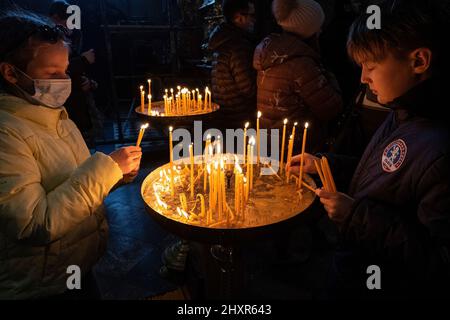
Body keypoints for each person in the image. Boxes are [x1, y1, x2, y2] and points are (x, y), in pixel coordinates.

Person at [289, 0, 450, 299]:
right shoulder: (402, 112)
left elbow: (438, 263)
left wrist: (357, 217)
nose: (363, 78)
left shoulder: (439, 146)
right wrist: (324, 164)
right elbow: (384, 178)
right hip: (356, 268)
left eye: (371, 66)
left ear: (419, 61)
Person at [0, 10, 142, 299]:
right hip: (40, 284)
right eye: (52, 74)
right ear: (11, 73)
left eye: (66, 70)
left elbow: (72, 181)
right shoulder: (6, 134)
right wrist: (104, 169)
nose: (64, 80)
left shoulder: (55, 116)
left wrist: (115, 174)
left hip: (74, 264)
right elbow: (35, 224)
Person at [253, 0, 343, 153]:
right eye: (317, 26)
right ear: (309, 31)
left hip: (270, 143)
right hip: (297, 148)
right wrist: (328, 73)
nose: (321, 30)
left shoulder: (271, 54)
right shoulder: (301, 65)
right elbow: (331, 108)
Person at [49, 0, 101, 146]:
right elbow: (56, 72)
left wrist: (87, 81)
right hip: (64, 108)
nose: (69, 25)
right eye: (64, 20)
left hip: (78, 102)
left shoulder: (72, 37)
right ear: (54, 18)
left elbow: (73, 70)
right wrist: (83, 61)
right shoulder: (47, 40)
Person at [208, 0, 257, 130]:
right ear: (239, 18)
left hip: (225, 116)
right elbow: (247, 88)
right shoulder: (237, 46)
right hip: (239, 119)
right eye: (252, 15)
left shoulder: (221, 41)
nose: (254, 20)